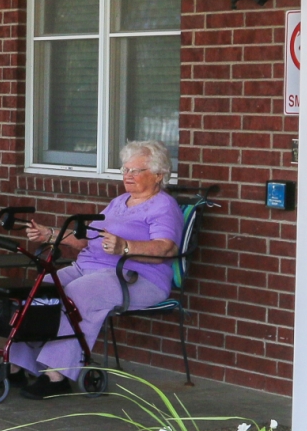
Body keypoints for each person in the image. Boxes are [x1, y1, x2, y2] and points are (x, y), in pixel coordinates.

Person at [9, 138, 184, 398]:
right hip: (88, 268)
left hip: (136, 278)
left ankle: (57, 376)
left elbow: (166, 248)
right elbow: (85, 240)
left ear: (159, 175)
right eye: (125, 169)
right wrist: (50, 234)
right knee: (38, 290)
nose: (128, 175)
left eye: (137, 170)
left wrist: (125, 247)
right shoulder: (119, 202)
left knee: (77, 295)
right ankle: (16, 366)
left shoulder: (163, 206)